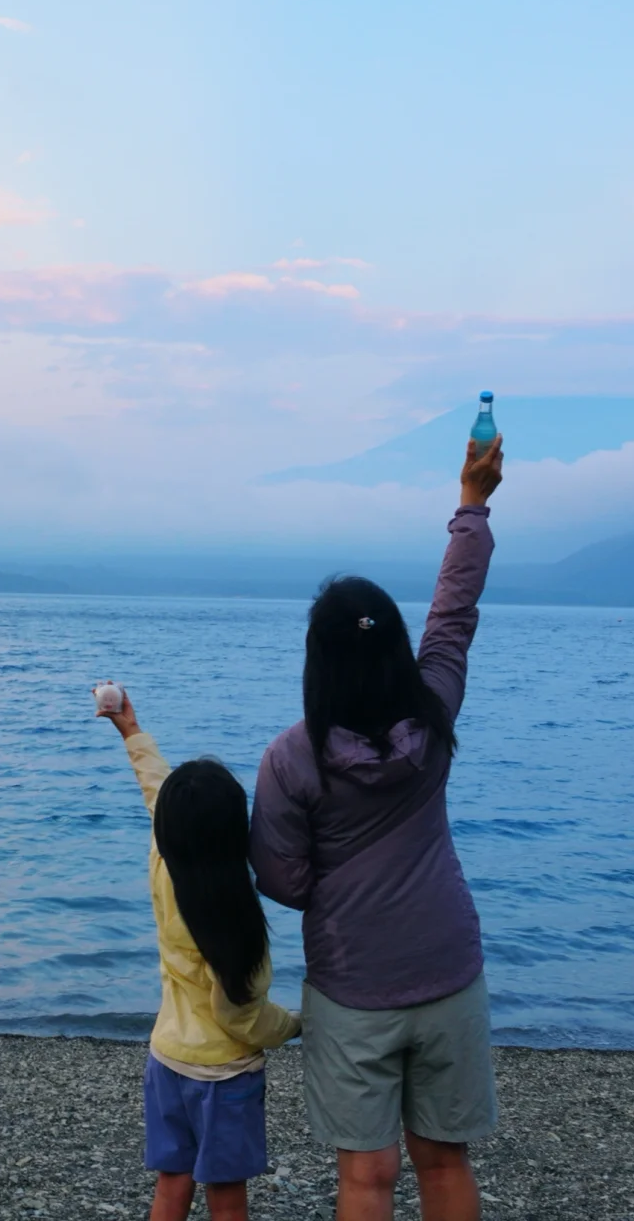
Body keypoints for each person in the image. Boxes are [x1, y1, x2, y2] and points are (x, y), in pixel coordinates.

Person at [249, 436, 504, 1221]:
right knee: (445, 1160)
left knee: (367, 1175)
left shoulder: (292, 758)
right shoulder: (434, 712)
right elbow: (452, 617)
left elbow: (282, 880)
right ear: (396, 647)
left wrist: (341, 888)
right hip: (448, 968)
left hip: (353, 983)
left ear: (317, 663)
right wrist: (472, 503)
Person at [96, 686, 301, 1221]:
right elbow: (243, 1018)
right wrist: (296, 1025)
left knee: (172, 1183)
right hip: (224, 1076)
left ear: (169, 829)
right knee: (226, 1197)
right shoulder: (237, 925)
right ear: (236, 834)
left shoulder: (164, 864)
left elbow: (157, 791)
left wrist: (131, 731)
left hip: (166, 1060)